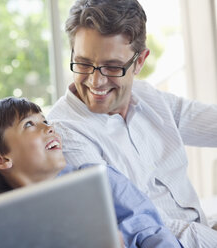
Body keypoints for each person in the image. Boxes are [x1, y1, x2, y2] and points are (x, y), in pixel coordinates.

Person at [46, 0, 217, 247]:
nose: (96, 81)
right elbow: (140, 224)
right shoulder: (65, 134)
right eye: (83, 63)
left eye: (112, 67)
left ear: (139, 61)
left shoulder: (149, 97)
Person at [0, 97, 182, 248]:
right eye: (29, 125)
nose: (49, 127)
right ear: (1, 159)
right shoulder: (7, 222)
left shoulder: (98, 177)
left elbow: (151, 229)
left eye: (44, 120)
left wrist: (121, 239)